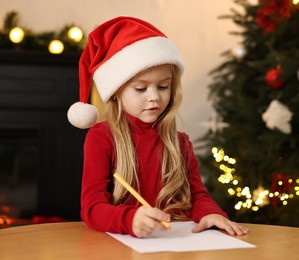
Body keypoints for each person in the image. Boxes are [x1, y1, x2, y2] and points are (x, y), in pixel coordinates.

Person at [67, 16, 249, 238]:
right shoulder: (102, 137)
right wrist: (129, 219)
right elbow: (92, 208)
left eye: (163, 86)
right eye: (141, 89)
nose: (154, 97)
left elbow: (197, 196)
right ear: (116, 92)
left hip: (174, 245)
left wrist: (210, 213)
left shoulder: (180, 142)